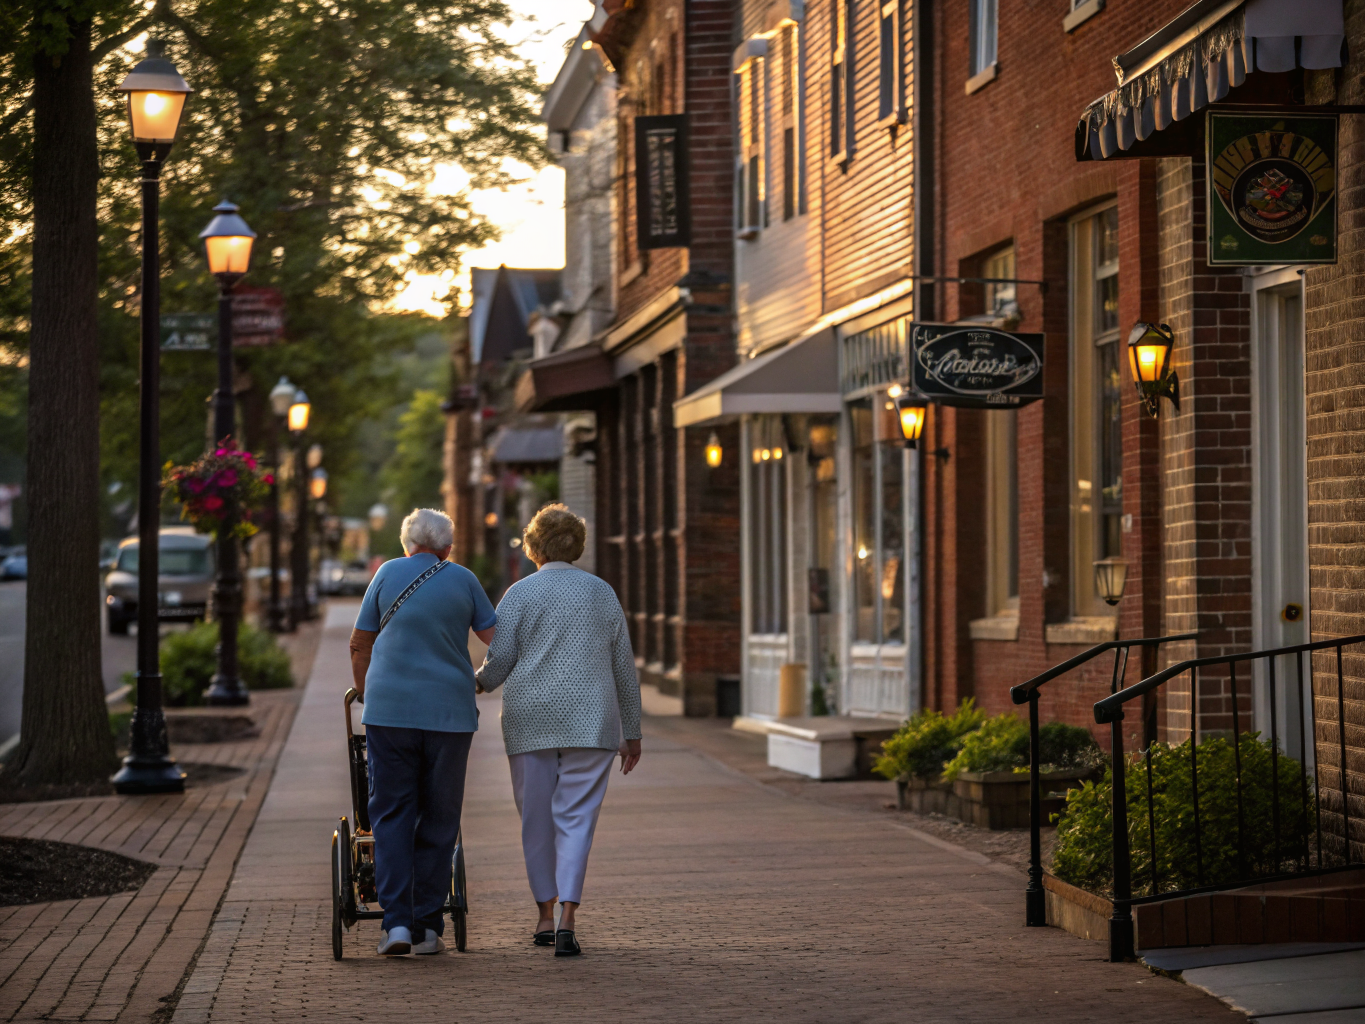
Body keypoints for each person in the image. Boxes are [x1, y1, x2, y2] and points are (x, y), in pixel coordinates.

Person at [476, 503, 642, 958]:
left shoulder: (518, 594)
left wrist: (474, 682)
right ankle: (569, 916)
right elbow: (623, 668)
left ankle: (544, 915)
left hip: (532, 720)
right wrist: (633, 730)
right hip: (593, 721)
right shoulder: (602, 593)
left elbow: (500, 663)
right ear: (578, 546)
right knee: (577, 819)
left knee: (536, 819)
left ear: (534, 547)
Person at [349, 508, 496, 956]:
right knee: (440, 815)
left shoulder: (387, 573)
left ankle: (395, 926)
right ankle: (428, 928)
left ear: (407, 544)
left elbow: (360, 642)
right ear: (447, 548)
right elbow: (499, 638)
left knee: (391, 814)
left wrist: (363, 689)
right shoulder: (465, 579)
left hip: (389, 713)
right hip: (450, 714)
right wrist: (483, 677)